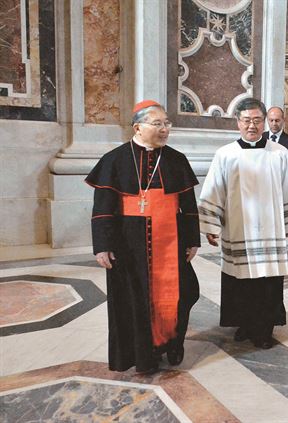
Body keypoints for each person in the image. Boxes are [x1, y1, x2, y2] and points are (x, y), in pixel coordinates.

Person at [86, 100, 200, 373]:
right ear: (138, 127)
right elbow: (102, 208)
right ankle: (140, 353)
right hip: (129, 243)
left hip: (171, 241)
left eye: (167, 124)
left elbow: (189, 205)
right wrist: (103, 246)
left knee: (183, 293)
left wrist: (193, 239)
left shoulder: (176, 159)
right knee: (132, 298)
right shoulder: (114, 159)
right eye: (157, 124)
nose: (164, 129)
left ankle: (172, 343)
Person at [199, 98, 288, 349]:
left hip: (270, 229)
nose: (252, 126)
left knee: (266, 282)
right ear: (238, 122)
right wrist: (212, 225)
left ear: (265, 122)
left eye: (258, 120)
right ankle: (244, 324)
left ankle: (264, 330)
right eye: (247, 120)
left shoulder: (279, 154)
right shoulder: (225, 154)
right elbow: (214, 190)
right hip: (238, 228)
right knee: (240, 281)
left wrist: (287, 223)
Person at [265, 106, 288, 183]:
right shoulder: (260, 139)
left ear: (283, 120)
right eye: (271, 120)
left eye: (277, 120)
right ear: (267, 120)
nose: (274, 123)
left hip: (282, 187)